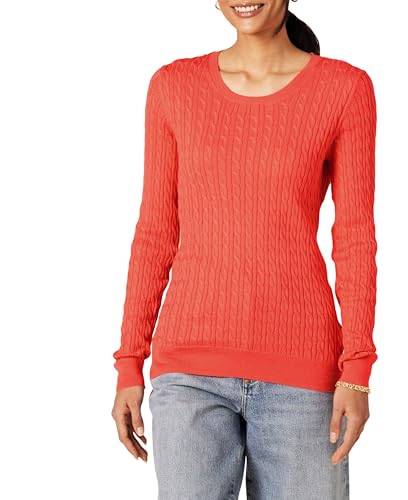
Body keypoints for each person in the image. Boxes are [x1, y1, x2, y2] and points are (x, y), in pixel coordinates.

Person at [111, 0, 378, 498]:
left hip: (303, 375)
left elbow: (355, 236)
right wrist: (130, 361)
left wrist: (357, 369)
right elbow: (155, 233)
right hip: (189, 374)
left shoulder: (344, 89)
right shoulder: (173, 87)